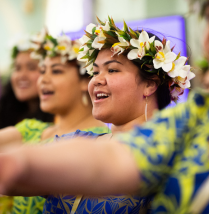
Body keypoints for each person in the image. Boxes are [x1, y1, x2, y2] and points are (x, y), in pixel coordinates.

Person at [0, 15, 198, 214]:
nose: (95, 81)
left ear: (150, 84)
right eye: (94, 73)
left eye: (112, 70)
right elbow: (14, 177)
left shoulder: (175, 157)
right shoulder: (76, 140)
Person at [0, 29, 108, 214]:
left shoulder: (100, 140)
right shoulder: (32, 127)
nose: (43, 80)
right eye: (42, 71)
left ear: (85, 81)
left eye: (56, 71)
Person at [0, 34, 53, 129]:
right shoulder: (6, 112)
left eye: (31, 68)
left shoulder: (57, 120)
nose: (21, 75)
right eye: (17, 68)